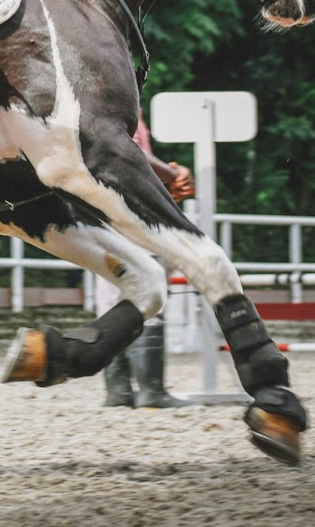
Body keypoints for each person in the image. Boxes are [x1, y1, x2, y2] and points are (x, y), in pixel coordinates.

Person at [96, 110, 197, 409]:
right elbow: (130, 156)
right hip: (133, 212)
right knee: (149, 294)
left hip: (101, 213)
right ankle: (152, 390)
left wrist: (167, 178)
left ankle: (119, 390)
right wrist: (173, 176)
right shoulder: (118, 106)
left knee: (110, 298)